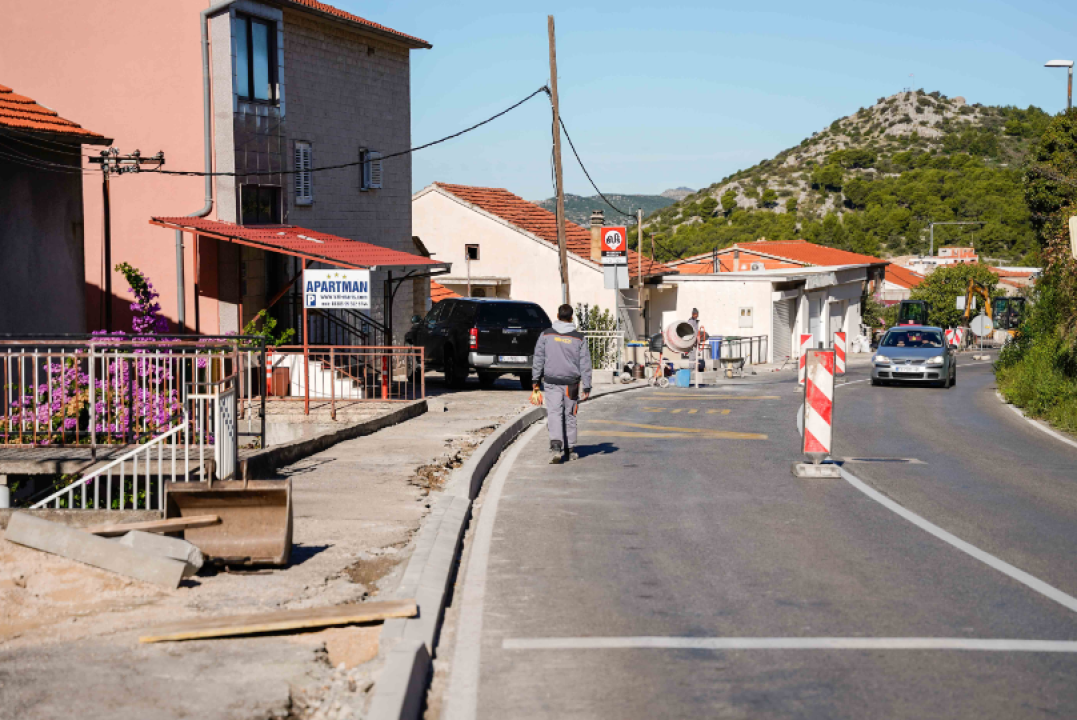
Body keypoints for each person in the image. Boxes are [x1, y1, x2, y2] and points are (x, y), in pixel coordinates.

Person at [532, 304, 593, 464]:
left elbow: (538, 358)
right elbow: (585, 363)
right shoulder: (579, 338)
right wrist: (587, 385)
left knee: (554, 413)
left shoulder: (546, 335)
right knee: (570, 414)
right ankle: (570, 449)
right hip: (571, 384)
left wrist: (535, 380)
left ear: (557, 316)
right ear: (571, 318)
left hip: (551, 381)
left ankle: (556, 447)